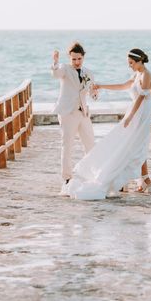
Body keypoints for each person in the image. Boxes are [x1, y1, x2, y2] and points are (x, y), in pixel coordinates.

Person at [65, 48, 151, 200]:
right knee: (134, 145)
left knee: (137, 145)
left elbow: (140, 98)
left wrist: (129, 117)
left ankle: (143, 180)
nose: (129, 66)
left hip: (142, 114)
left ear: (139, 61)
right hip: (135, 112)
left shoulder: (146, 75)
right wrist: (102, 86)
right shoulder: (137, 74)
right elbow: (123, 86)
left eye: (131, 63)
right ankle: (145, 180)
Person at [50, 41, 99, 195]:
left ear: (83, 57)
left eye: (79, 59)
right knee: (68, 145)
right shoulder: (64, 69)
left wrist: (95, 93)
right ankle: (66, 178)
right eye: (74, 59)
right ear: (69, 58)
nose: (77, 62)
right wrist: (55, 62)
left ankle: (93, 174)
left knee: (90, 144)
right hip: (67, 113)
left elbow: (92, 93)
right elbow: (55, 74)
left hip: (83, 112)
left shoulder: (88, 73)